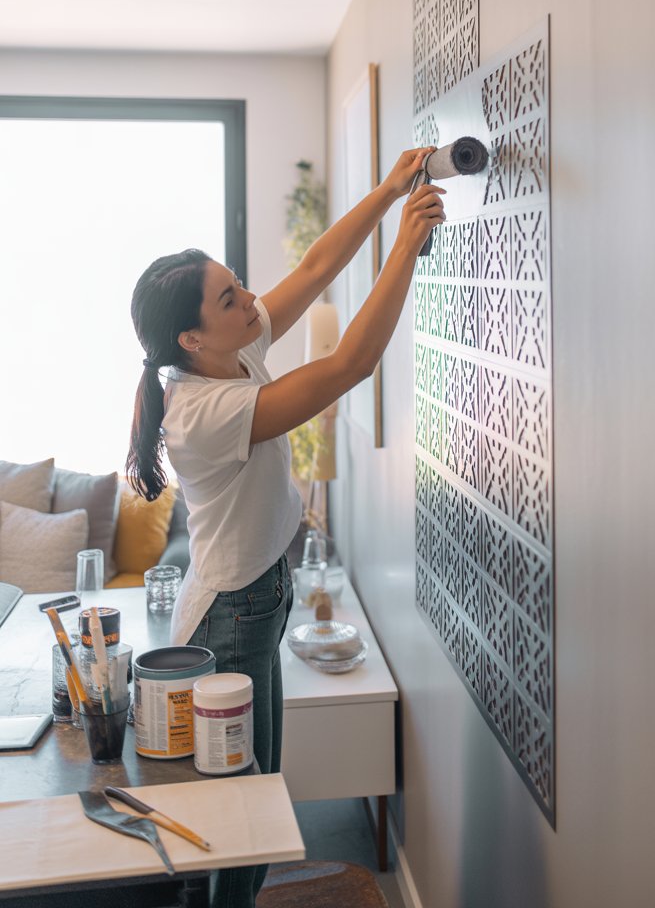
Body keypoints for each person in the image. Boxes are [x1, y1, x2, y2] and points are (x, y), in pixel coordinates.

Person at [126, 148, 443, 908]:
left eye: (237, 287)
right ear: (192, 340)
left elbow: (314, 268)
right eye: (230, 299)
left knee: (258, 803)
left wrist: (388, 190)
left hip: (257, 595)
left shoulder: (229, 351)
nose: (249, 301)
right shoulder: (201, 411)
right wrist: (405, 245)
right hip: (232, 616)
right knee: (243, 820)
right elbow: (348, 366)